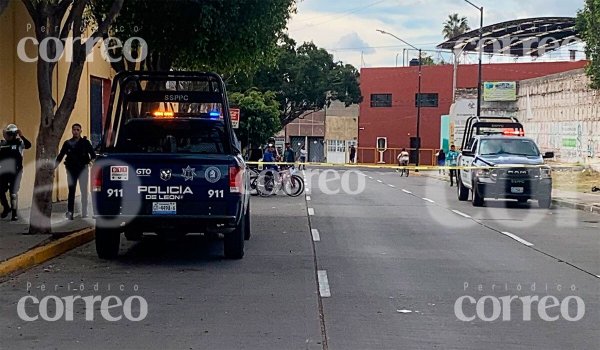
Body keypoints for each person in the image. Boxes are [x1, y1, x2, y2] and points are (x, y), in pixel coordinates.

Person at [55, 123, 96, 220]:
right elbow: (60, 156)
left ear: (81, 131)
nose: (76, 131)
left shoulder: (86, 143)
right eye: (74, 129)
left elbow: (93, 155)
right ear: (72, 131)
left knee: (84, 191)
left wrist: (90, 163)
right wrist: (54, 167)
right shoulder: (68, 143)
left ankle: (84, 212)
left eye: (78, 130)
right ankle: (70, 212)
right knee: (71, 191)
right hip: (71, 170)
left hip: (83, 169)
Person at [0, 124, 31, 221]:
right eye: (6, 134)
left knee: (13, 193)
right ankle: (6, 207)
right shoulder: (2, 144)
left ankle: (14, 213)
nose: (7, 136)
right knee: (0, 190)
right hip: (4, 171)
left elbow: (28, 145)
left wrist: (21, 135)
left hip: (16, 171)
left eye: (10, 134)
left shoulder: (19, 143)